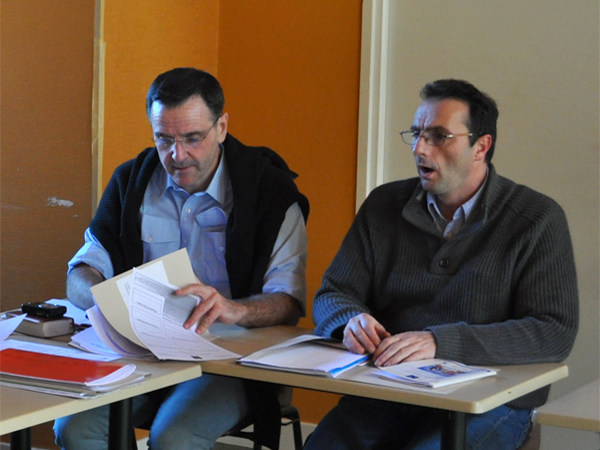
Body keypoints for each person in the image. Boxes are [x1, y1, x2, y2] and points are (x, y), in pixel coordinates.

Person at [306, 79, 578, 450]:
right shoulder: (383, 205)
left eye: (438, 136)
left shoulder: (536, 219)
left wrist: (440, 342)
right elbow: (332, 293)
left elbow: (553, 330)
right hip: (388, 391)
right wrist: (350, 320)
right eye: (417, 134)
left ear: (481, 146)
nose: (419, 148)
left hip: (489, 402)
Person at [54, 67, 309, 450]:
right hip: (142, 353)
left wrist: (234, 309)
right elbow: (81, 272)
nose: (178, 155)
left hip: (231, 361)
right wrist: (109, 300)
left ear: (221, 127)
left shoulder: (269, 192)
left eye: (193, 138)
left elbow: (288, 301)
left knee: (174, 436)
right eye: (164, 139)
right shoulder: (132, 182)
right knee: (74, 427)